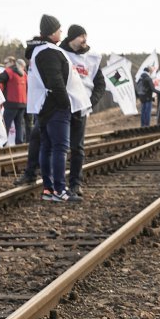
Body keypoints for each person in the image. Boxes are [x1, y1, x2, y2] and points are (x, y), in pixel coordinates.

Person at [25, 14, 75, 202]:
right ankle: (59, 190)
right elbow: (55, 80)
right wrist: (65, 103)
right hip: (54, 105)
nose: (62, 31)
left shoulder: (38, 50)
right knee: (59, 147)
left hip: (43, 105)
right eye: (60, 29)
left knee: (46, 147)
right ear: (53, 31)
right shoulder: (49, 52)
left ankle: (48, 189)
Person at [63, 25, 92, 200]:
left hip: (81, 108)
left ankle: (75, 183)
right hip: (63, 107)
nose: (84, 40)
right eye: (81, 36)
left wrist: (90, 102)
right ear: (72, 38)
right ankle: (52, 183)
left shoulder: (90, 57)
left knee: (77, 148)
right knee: (58, 146)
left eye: (85, 36)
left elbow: (99, 82)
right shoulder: (60, 53)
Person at [0, 56, 29, 144]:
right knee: (19, 124)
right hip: (23, 103)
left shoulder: (9, 72)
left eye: (6, 63)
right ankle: (19, 143)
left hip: (11, 102)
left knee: (6, 124)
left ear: (11, 62)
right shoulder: (24, 73)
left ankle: (3, 143)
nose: (5, 65)